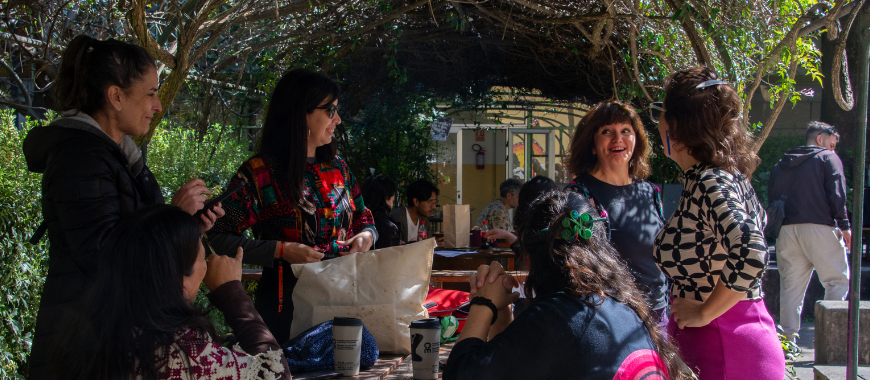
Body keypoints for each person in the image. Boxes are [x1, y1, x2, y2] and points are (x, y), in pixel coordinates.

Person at [22, 35, 222, 379]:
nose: (158, 105)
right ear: (115, 97)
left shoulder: (119, 156)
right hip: (86, 350)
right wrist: (173, 216)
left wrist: (186, 230)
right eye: (150, 93)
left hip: (111, 341)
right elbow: (103, 258)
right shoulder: (81, 158)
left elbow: (139, 239)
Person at [443, 191, 693, 380]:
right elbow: (505, 367)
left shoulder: (555, 317)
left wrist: (483, 303)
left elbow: (460, 374)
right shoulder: (624, 309)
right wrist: (501, 312)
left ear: (529, 258)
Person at [208, 68, 376, 342]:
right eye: (330, 110)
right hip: (285, 310)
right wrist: (281, 250)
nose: (338, 119)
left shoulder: (339, 169)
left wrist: (367, 236)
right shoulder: (261, 173)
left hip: (345, 301)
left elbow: (363, 218)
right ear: (301, 113)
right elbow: (215, 238)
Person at [47, 205, 290, 379]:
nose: (205, 266)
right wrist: (232, 293)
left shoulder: (86, 332)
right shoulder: (177, 352)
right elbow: (274, 373)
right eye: (202, 258)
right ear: (179, 281)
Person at [653, 66, 784, 379]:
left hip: (725, 346)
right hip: (725, 342)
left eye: (661, 112)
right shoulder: (721, 177)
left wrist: (704, 312)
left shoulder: (709, 181)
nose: (656, 122)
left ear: (677, 125)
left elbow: (751, 250)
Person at [561, 100, 669, 323]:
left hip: (660, 315)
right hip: (614, 319)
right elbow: (575, 267)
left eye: (625, 131)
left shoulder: (650, 192)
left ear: (635, 141)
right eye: (606, 131)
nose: (618, 139)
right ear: (592, 144)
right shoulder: (579, 194)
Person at [769, 121, 851, 343]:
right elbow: (837, 191)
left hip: (786, 230)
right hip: (819, 227)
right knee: (837, 281)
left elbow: (772, 197)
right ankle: (830, 338)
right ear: (820, 139)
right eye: (832, 144)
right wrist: (844, 225)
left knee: (790, 287)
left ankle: (788, 340)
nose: (833, 149)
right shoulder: (827, 158)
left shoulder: (781, 164)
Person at [483, 175, 557, 246]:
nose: (520, 200)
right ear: (508, 196)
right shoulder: (498, 211)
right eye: (518, 196)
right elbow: (502, 240)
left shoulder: (500, 209)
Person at [390, 179, 439, 243]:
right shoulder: (397, 218)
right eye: (430, 202)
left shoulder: (424, 220)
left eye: (434, 202)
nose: (434, 207)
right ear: (416, 202)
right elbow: (397, 248)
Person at [361, 174, 401, 248]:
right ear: (386, 199)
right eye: (392, 200)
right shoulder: (388, 228)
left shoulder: (356, 221)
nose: (392, 205)